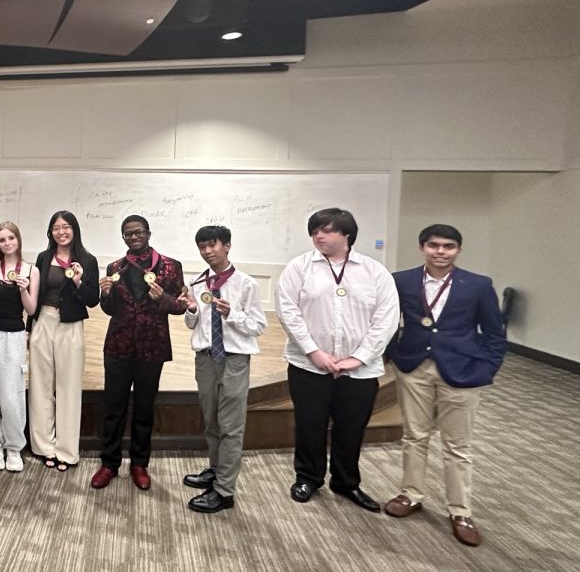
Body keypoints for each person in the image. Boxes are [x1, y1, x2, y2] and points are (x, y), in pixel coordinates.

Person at [383, 224, 507, 547]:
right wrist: (393, 354)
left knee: (457, 445)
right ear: (422, 247)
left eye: (448, 246)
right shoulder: (401, 281)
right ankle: (411, 494)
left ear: (458, 250)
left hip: (463, 371)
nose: (441, 251)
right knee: (414, 435)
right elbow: (385, 320)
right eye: (434, 245)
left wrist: (487, 367)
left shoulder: (478, 285)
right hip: (413, 367)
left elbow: (494, 333)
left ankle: (460, 510)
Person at [275, 207, 399, 512]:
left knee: (351, 427)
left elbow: (386, 319)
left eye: (326, 230)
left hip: (359, 370)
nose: (318, 236)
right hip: (308, 365)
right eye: (315, 231)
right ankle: (308, 478)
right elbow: (287, 311)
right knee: (309, 425)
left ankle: (346, 483)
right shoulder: (299, 268)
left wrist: (359, 358)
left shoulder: (374, 271)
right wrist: (313, 351)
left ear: (347, 234)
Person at [91, 215, 186, 491]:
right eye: (128, 234)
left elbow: (180, 306)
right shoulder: (115, 267)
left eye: (138, 232)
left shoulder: (170, 266)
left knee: (144, 408)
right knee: (113, 407)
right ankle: (109, 463)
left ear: (148, 233)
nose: (133, 237)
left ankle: (139, 464)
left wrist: (163, 299)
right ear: (123, 238)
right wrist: (105, 294)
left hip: (151, 346)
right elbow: (108, 309)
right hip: (119, 345)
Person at [180, 225, 267, 513]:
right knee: (211, 422)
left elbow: (258, 326)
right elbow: (194, 324)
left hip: (233, 359)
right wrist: (191, 309)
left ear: (227, 246)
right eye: (202, 247)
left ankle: (225, 491)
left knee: (230, 426)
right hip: (205, 358)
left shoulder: (246, 284)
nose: (207, 251)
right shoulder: (198, 282)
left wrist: (233, 315)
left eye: (212, 245)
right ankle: (216, 471)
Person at [28, 210, 99, 472]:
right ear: (50, 232)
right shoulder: (43, 258)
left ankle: (66, 451)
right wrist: (29, 328)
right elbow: (35, 295)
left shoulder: (87, 260)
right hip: (42, 322)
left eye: (66, 227)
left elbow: (93, 299)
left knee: (69, 387)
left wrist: (79, 281)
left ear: (74, 230)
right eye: (56, 227)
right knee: (40, 385)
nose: (62, 232)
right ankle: (43, 446)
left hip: (71, 326)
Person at [0, 222, 40, 472]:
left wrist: (24, 290)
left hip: (14, 335)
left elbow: (31, 309)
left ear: (18, 240)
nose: (7, 243)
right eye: (2, 239)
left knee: (12, 393)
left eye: (11, 237)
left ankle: (14, 447)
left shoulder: (31, 270)